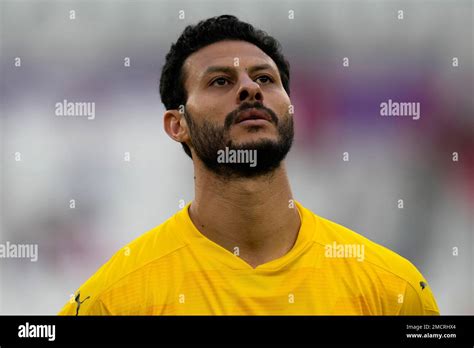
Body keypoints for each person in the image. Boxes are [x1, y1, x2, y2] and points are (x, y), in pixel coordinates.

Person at [59, 15, 439, 315]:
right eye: (221, 81)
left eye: (265, 78)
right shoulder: (117, 299)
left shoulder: (392, 289)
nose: (250, 88)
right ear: (178, 125)